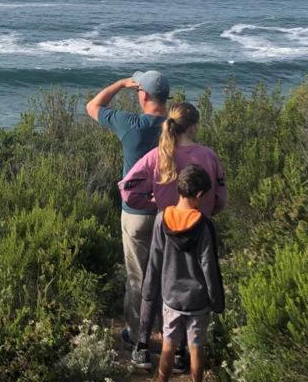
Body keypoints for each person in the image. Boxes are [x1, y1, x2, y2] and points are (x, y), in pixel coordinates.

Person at [118, 102, 226, 371]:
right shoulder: (208, 155)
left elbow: (127, 188)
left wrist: (152, 203)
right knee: (195, 283)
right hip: (200, 226)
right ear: (194, 126)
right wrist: (210, 211)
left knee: (154, 282)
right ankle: (181, 353)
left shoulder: (158, 155)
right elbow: (222, 196)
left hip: (166, 224)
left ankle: (142, 345)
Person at [86, 70, 169, 350]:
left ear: (142, 95)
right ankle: (167, 332)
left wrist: (121, 84)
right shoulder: (176, 126)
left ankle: (137, 335)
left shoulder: (131, 125)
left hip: (135, 212)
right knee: (166, 273)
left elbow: (93, 106)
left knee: (137, 276)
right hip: (169, 213)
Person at [138, 164, 224, 382]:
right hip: (197, 301)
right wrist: (217, 301)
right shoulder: (204, 226)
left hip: (171, 298)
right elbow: (209, 266)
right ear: (198, 194)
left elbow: (154, 261)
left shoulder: (161, 219)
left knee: (168, 345)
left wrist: (149, 292)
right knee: (196, 348)